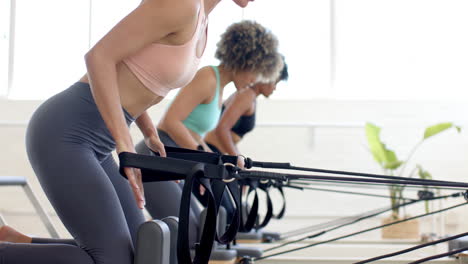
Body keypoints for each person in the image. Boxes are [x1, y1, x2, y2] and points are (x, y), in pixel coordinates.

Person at [0, 0, 257, 263]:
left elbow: (132, 72)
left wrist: (148, 132)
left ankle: (15, 241)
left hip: (99, 143)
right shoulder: (181, 4)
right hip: (66, 130)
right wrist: (125, 142)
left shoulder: (201, 20)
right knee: (114, 259)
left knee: (142, 249)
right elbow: (98, 57)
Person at [135, 20, 283, 243]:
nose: (255, 80)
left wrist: (217, 161)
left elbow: (195, 135)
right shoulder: (208, 77)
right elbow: (170, 122)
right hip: (157, 157)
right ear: (244, 60)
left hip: (175, 159)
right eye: (255, 72)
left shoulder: (220, 89)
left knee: (198, 231)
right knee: (190, 234)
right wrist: (205, 162)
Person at [204, 55, 289, 155]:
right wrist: (237, 157)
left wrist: (238, 156)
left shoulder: (249, 96)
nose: (274, 88)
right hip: (212, 150)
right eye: (275, 83)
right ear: (266, 77)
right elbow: (222, 129)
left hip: (219, 152)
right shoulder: (247, 95)